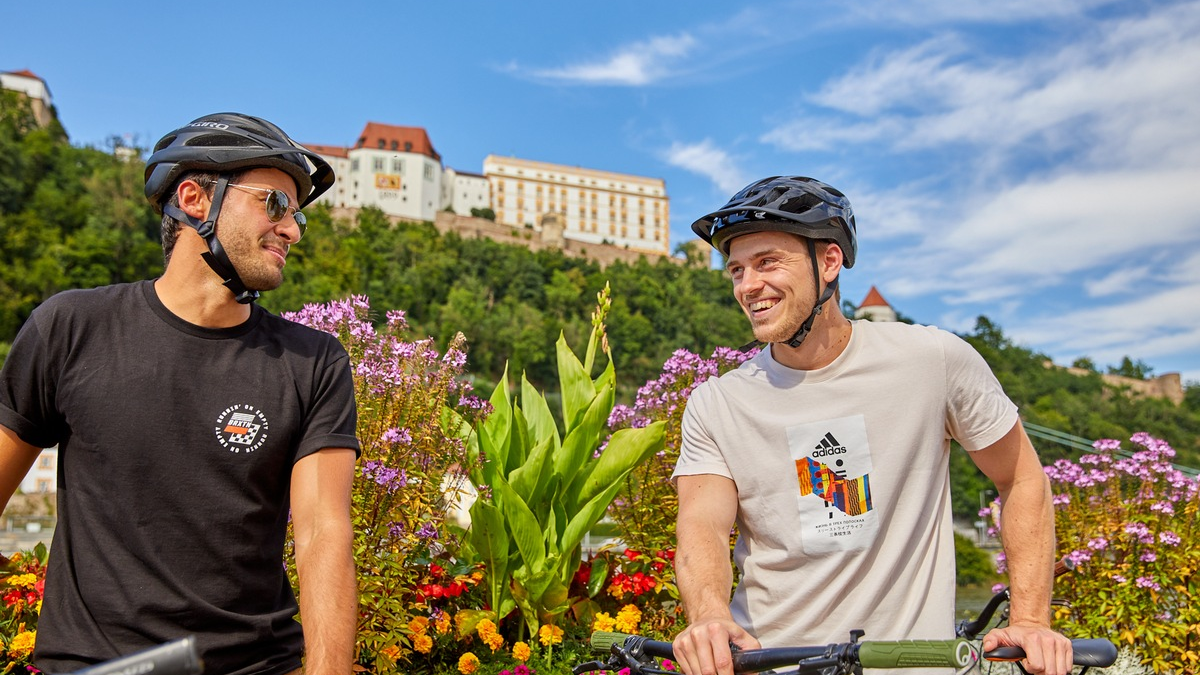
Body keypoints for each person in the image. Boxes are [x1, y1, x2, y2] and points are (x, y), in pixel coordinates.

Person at [0, 112, 360, 675]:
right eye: (274, 204)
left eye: (296, 217)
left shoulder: (314, 362)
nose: (291, 229)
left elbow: (323, 533)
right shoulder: (70, 328)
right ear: (194, 198)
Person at [670, 176, 1073, 675]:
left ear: (830, 262)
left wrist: (1031, 619)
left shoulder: (933, 360)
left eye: (767, 262)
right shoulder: (717, 402)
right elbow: (703, 524)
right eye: (736, 269)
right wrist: (708, 615)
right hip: (769, 663)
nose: (748, 285)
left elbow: (1021, 477)